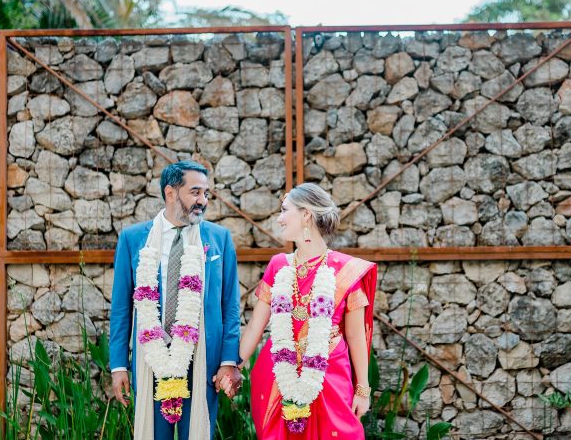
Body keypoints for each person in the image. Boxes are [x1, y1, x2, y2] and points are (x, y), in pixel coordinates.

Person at [220, 182, 377, 438]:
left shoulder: (345, 270)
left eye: (284, 210)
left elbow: (356, 336)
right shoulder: (279, 265)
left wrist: (362, 390)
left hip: (330, 375)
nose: (279, 219)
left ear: (306, 215)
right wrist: (232, 365)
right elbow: (255, 328)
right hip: (278, 378)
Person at [109, 160, 243, 440]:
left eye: (206, 194)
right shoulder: (133, 239)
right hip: (151, 359)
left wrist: (229, 360)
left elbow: (230, 306)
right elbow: (121, 308)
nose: (202, 201)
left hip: (204, 359)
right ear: (171, 193)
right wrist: (119, 365)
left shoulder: (218, 239)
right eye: (195, 192)